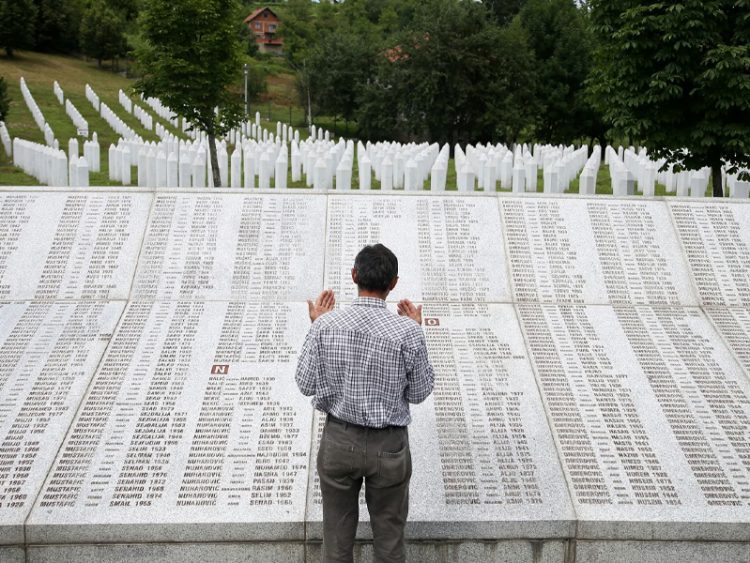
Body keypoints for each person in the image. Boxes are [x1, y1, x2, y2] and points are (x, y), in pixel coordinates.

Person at [295, 243, 435, 563]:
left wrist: (316, 325)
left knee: (336, 537)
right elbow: (419, 393)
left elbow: (305, 384)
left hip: (339, 441)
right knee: (389, 537)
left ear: (354, 275)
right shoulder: (407, 332)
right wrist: (415, 329)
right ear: (394, 283)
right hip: (389, 445)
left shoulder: (325, 325)